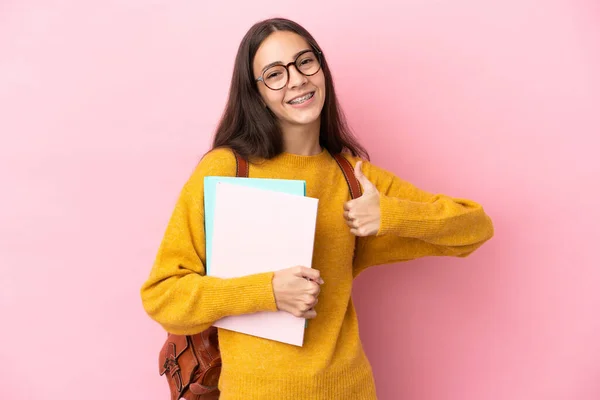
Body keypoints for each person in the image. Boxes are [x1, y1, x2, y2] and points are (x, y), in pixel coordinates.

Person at [140, 17, 494, 400]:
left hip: (348, 389)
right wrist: (267, 291)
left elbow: (474, 229)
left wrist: (388, 215)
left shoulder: (352, 178)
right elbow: (164, 297)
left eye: (305, 62)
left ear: (321, 68)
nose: (296, 80)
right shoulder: (228, 171)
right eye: (275, 73)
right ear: (256, 93)